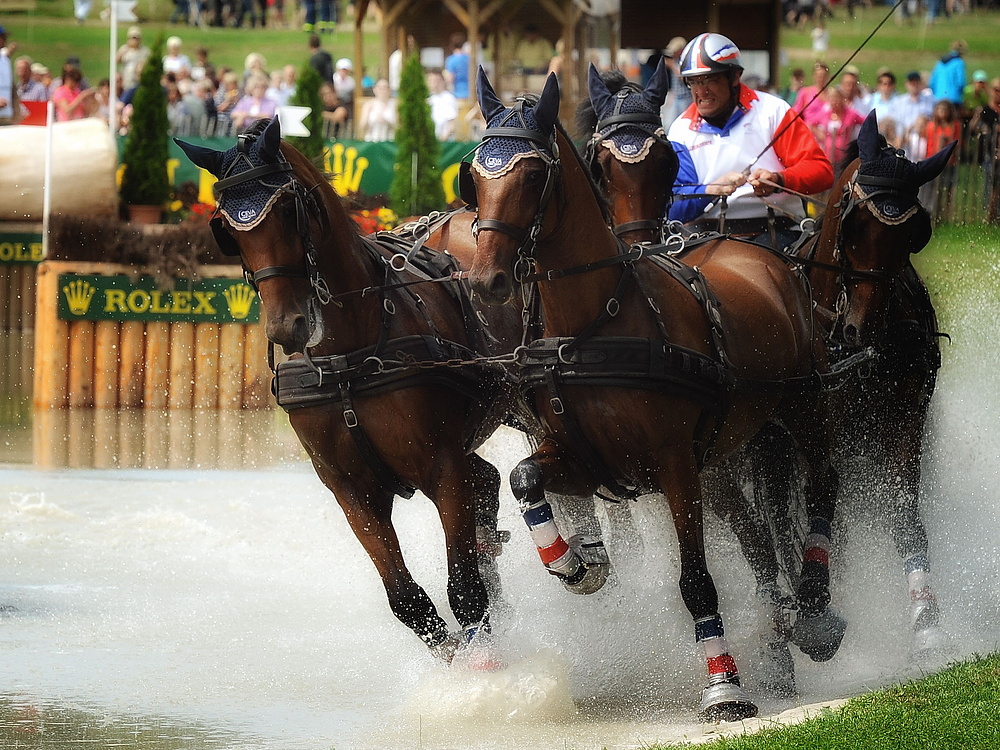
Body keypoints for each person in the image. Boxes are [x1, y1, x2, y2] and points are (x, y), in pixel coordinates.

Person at [668, 33, 834, 249]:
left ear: (734, 77)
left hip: (777, 229)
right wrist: (711, 190)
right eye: (694, 82)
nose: (701, 91)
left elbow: (822, 172)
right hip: (705, 238)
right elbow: (673, 207)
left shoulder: (773, 110)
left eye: (710, 80)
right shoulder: (680, 131)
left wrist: (779, 180)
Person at [811, 87, 865, 171]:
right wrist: (818, 133)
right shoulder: (825, 114)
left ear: (842, 99)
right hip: (827, 156)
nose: (834, 102)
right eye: (832, 99)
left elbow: (865, 121)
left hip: (843, 156)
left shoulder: (850, 114)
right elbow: (809, 124)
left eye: (836, 98)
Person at [889, 71, 935, 151]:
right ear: (906, 84)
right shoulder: (899, 102)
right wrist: (901, 134)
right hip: (902, 137)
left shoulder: (930, 101)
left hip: (922, 136)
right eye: (911, 83)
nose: (914, 86)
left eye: (916, 83)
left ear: (920, 83)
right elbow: (896, 121)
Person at [928, 39, 967, 106]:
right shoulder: (959, 62)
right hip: (953, 98)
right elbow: (960, 82)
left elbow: (932, 82)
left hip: (938, 98)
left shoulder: (940, 63)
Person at [792, 61, 830, 128]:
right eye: (818, 76)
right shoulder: (805, 92)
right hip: (809, 130)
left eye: (823, 76)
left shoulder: (831, 94)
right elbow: (795, 113)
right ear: (813, 76)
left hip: (826, 133)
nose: (821, 78)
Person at [358, 77, 396, 142]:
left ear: (389, 90)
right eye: (380, 88)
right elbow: (362, 126)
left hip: (390, 140)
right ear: (375, 89)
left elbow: (399, 127)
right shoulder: (368, 105)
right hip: (371, 140)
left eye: (385, 88)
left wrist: (387, 122)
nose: (383, 91)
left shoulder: (394, 106)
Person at [426, 69, 457, 141]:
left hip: (445, 141)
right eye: (431, 81)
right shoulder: (430, 100)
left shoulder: (448, 98)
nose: (433, 84)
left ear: (442, 82)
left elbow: (452, 123)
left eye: (436, 81)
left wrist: (443, 138)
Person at [117, 26, 151, 91]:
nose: (134, 40)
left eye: (136, 38)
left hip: (138, 80)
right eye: (132, 38)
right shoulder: (124, 48)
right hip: (126, 79)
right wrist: (125, 50)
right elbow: (116, 61)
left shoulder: (145, 51)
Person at [0, 25, 15, 124]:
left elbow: (12, 87)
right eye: (3, 37)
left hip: (6, 116)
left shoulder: (5, 60)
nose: (5, 41)